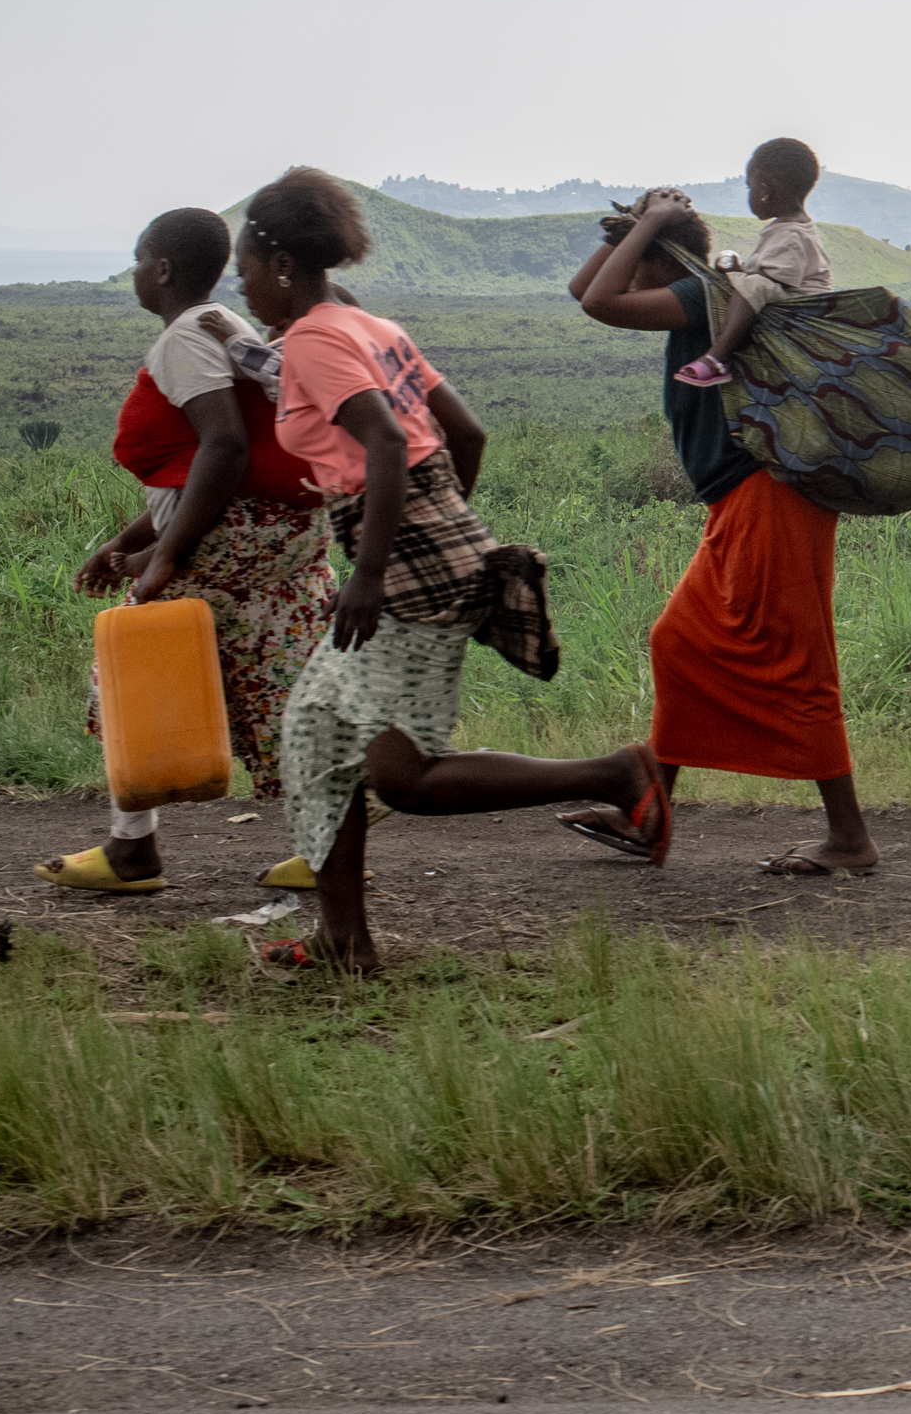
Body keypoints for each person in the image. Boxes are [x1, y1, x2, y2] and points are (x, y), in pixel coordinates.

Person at [241, 168, 668, 974]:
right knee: (315, 732)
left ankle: (617, 772)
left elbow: (389, 445)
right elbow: (463, 434)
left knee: (402, 777)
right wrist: (443, 537)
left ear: (282, 263)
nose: (244, 284)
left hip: (395, 560)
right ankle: (344, 941)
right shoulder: (371, 326)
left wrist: (377, 569)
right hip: (431, 541)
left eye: (246, 269)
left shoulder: (312, 339)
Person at [567, 189, 878, 874]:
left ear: (659, 258)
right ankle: (649, 814)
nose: (629, 271)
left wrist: (647, 226)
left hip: (768, 495)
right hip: (743, 498)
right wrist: (632, 227)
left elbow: (597, 301)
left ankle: (850, 838)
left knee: (798, 661)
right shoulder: (698, 290)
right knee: (679, 643)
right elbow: (581, 286)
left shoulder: (698, 293)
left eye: (635, 256)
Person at [42, 206, 335, 895]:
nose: (136, 271)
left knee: (129, 669)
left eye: (141, 258)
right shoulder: (227, 325)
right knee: (277, 679)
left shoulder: (182, 337)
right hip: (283, 530)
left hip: (229, 536)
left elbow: (224, 447)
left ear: (163, 268)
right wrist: (127, 540)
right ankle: (333, 841)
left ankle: (132, 849)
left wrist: (168, 554)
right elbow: (195, 469)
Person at [671, 138, 830, 388]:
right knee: (752, 283)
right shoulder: (790, 229)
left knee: (753, 286)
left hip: (800, 307)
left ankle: (717, 358)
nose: (750, 194)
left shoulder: (791, 235)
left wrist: (737, 274)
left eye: (750, 187)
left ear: (765, 191)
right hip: (789, 297)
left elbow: (772, 283)